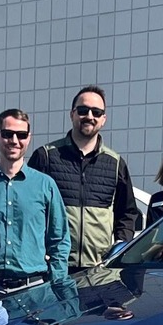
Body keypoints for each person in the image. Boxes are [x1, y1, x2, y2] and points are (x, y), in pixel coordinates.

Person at [31, 87, 141, 268]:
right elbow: (30, 210)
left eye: (96, 112)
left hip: (98, 269)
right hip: (55, 267)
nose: (89, 116)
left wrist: (119, 246)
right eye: (83, 110)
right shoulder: (46, 157)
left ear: (103, 119)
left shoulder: (115, 163)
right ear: (72, 114)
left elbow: (127, 212)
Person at [0, 108, 70, 296]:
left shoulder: (45, 185)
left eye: (21, 135)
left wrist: (57, 283)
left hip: (35, 290)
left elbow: (59, 239)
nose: (14, 140)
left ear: (29, 138)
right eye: (7, 134)